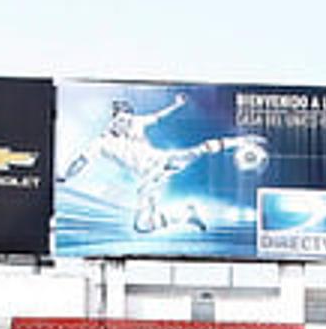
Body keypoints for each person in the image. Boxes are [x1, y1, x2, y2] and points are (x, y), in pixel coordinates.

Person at [59, 92, 268, 235]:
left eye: (129, 119)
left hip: (164, 161)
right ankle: (185, 215)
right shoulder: (101, 142)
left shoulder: (137, 122)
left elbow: (158, 116)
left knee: (199, 149)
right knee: (142, 226)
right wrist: (66, 176)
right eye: (122, 120)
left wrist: (177, 105)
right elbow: (81, 161)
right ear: (113, 119)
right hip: (150, 178)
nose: (127, 124)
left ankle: (244, 140)